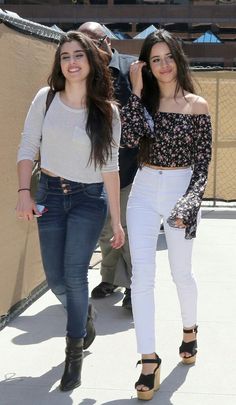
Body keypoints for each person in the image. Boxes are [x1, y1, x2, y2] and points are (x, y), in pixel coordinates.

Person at [16, 31, 124, 391]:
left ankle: (74, 354)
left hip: (87, 200)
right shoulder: (45, 99)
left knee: (75, 277)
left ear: (92, 61)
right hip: (48, 193)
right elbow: (28, 146)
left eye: (79, 55)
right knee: (57, 279)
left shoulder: (107, 111)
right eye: (65, 56)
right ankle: (85, 317)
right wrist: (23, 193)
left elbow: (110, 167)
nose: (72, 62)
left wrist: (117, 222)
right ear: (59, 63)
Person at [120, 29, 212, 400]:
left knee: (180, 272)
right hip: (143, 189)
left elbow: (202, 165)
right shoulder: (143, 103)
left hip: (181, 189)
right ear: (146, 65)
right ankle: (148, 360)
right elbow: (128, 138)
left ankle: (189, 330)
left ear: (179, 58)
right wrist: (136, 91)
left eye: (168, 57)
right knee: (142, 277)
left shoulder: (198, 105)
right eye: (154, 59)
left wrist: (190, 203)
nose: (163, 65)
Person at [78, 22, 138, 310]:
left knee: (125, 228)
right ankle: (110, 278)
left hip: (127, 168)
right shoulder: (83, 73)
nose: (84, 50)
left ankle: (133, 286)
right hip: (92, 169)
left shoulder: (131, 68)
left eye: (89, 43)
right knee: (104, 229)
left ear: (105, 42)